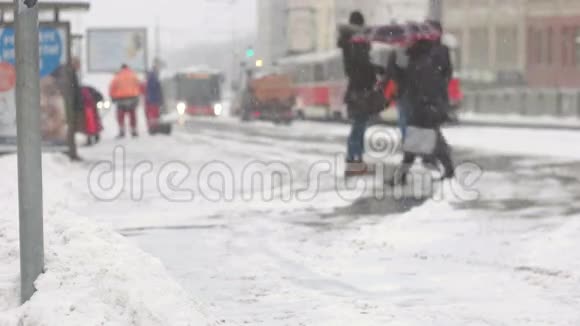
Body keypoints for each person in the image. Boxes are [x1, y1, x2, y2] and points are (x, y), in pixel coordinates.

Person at [388, 28, 455, 186]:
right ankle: (448, 170)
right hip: (424, 107)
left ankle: (402, 176)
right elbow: (406, 81)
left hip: (424, 108)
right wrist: (393, 65)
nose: (407, 43)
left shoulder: (422, 62)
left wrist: (428, 105)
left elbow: (411, 82)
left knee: (421, 142)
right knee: (425, 141)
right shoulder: (420, 60)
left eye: (410, 41)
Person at [338, 11, 384, 176]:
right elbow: (360, 65)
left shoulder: (350, 42)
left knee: (360, 125)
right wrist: (375, 70)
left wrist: (374, 68)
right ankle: (353, 163)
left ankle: (356, 161)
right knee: (359, 126)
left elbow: (359, 65)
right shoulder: (355, 42)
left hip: (358, 87)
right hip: (360, 88)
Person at [109, 64, 142, 138]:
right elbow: (139, 85)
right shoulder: (133, 75)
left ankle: (122, 130)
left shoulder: (117, 76)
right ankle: (133, 130)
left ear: (121, 68)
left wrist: (112, 96)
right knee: (132, 115)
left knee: (121, 115)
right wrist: (138, 94)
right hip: (133, 98)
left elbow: (112, 87)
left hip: (120, 99)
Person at [145, 59, 164, 134]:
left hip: (152, 99)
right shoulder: (153, 76)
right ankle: (153, 129)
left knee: (153, 114)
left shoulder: (152, 75)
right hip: (153, 99)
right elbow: (154, 88)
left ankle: (153, 128)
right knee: (154, 115)